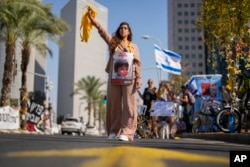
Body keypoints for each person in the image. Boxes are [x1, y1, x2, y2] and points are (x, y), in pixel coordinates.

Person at [88, 10, 142, 141]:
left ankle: (127, 132)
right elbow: (103, 32)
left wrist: (139, 78)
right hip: (115, 78)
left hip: (130, 79)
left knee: (129, 106)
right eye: (121, 28)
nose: (123, 30)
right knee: (113, 105)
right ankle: (113, 131)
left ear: (129, 32)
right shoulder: (113, 43)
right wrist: (93, 21)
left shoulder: (134, 47)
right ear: (119, 31)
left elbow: (137, 63)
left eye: (126, 28)